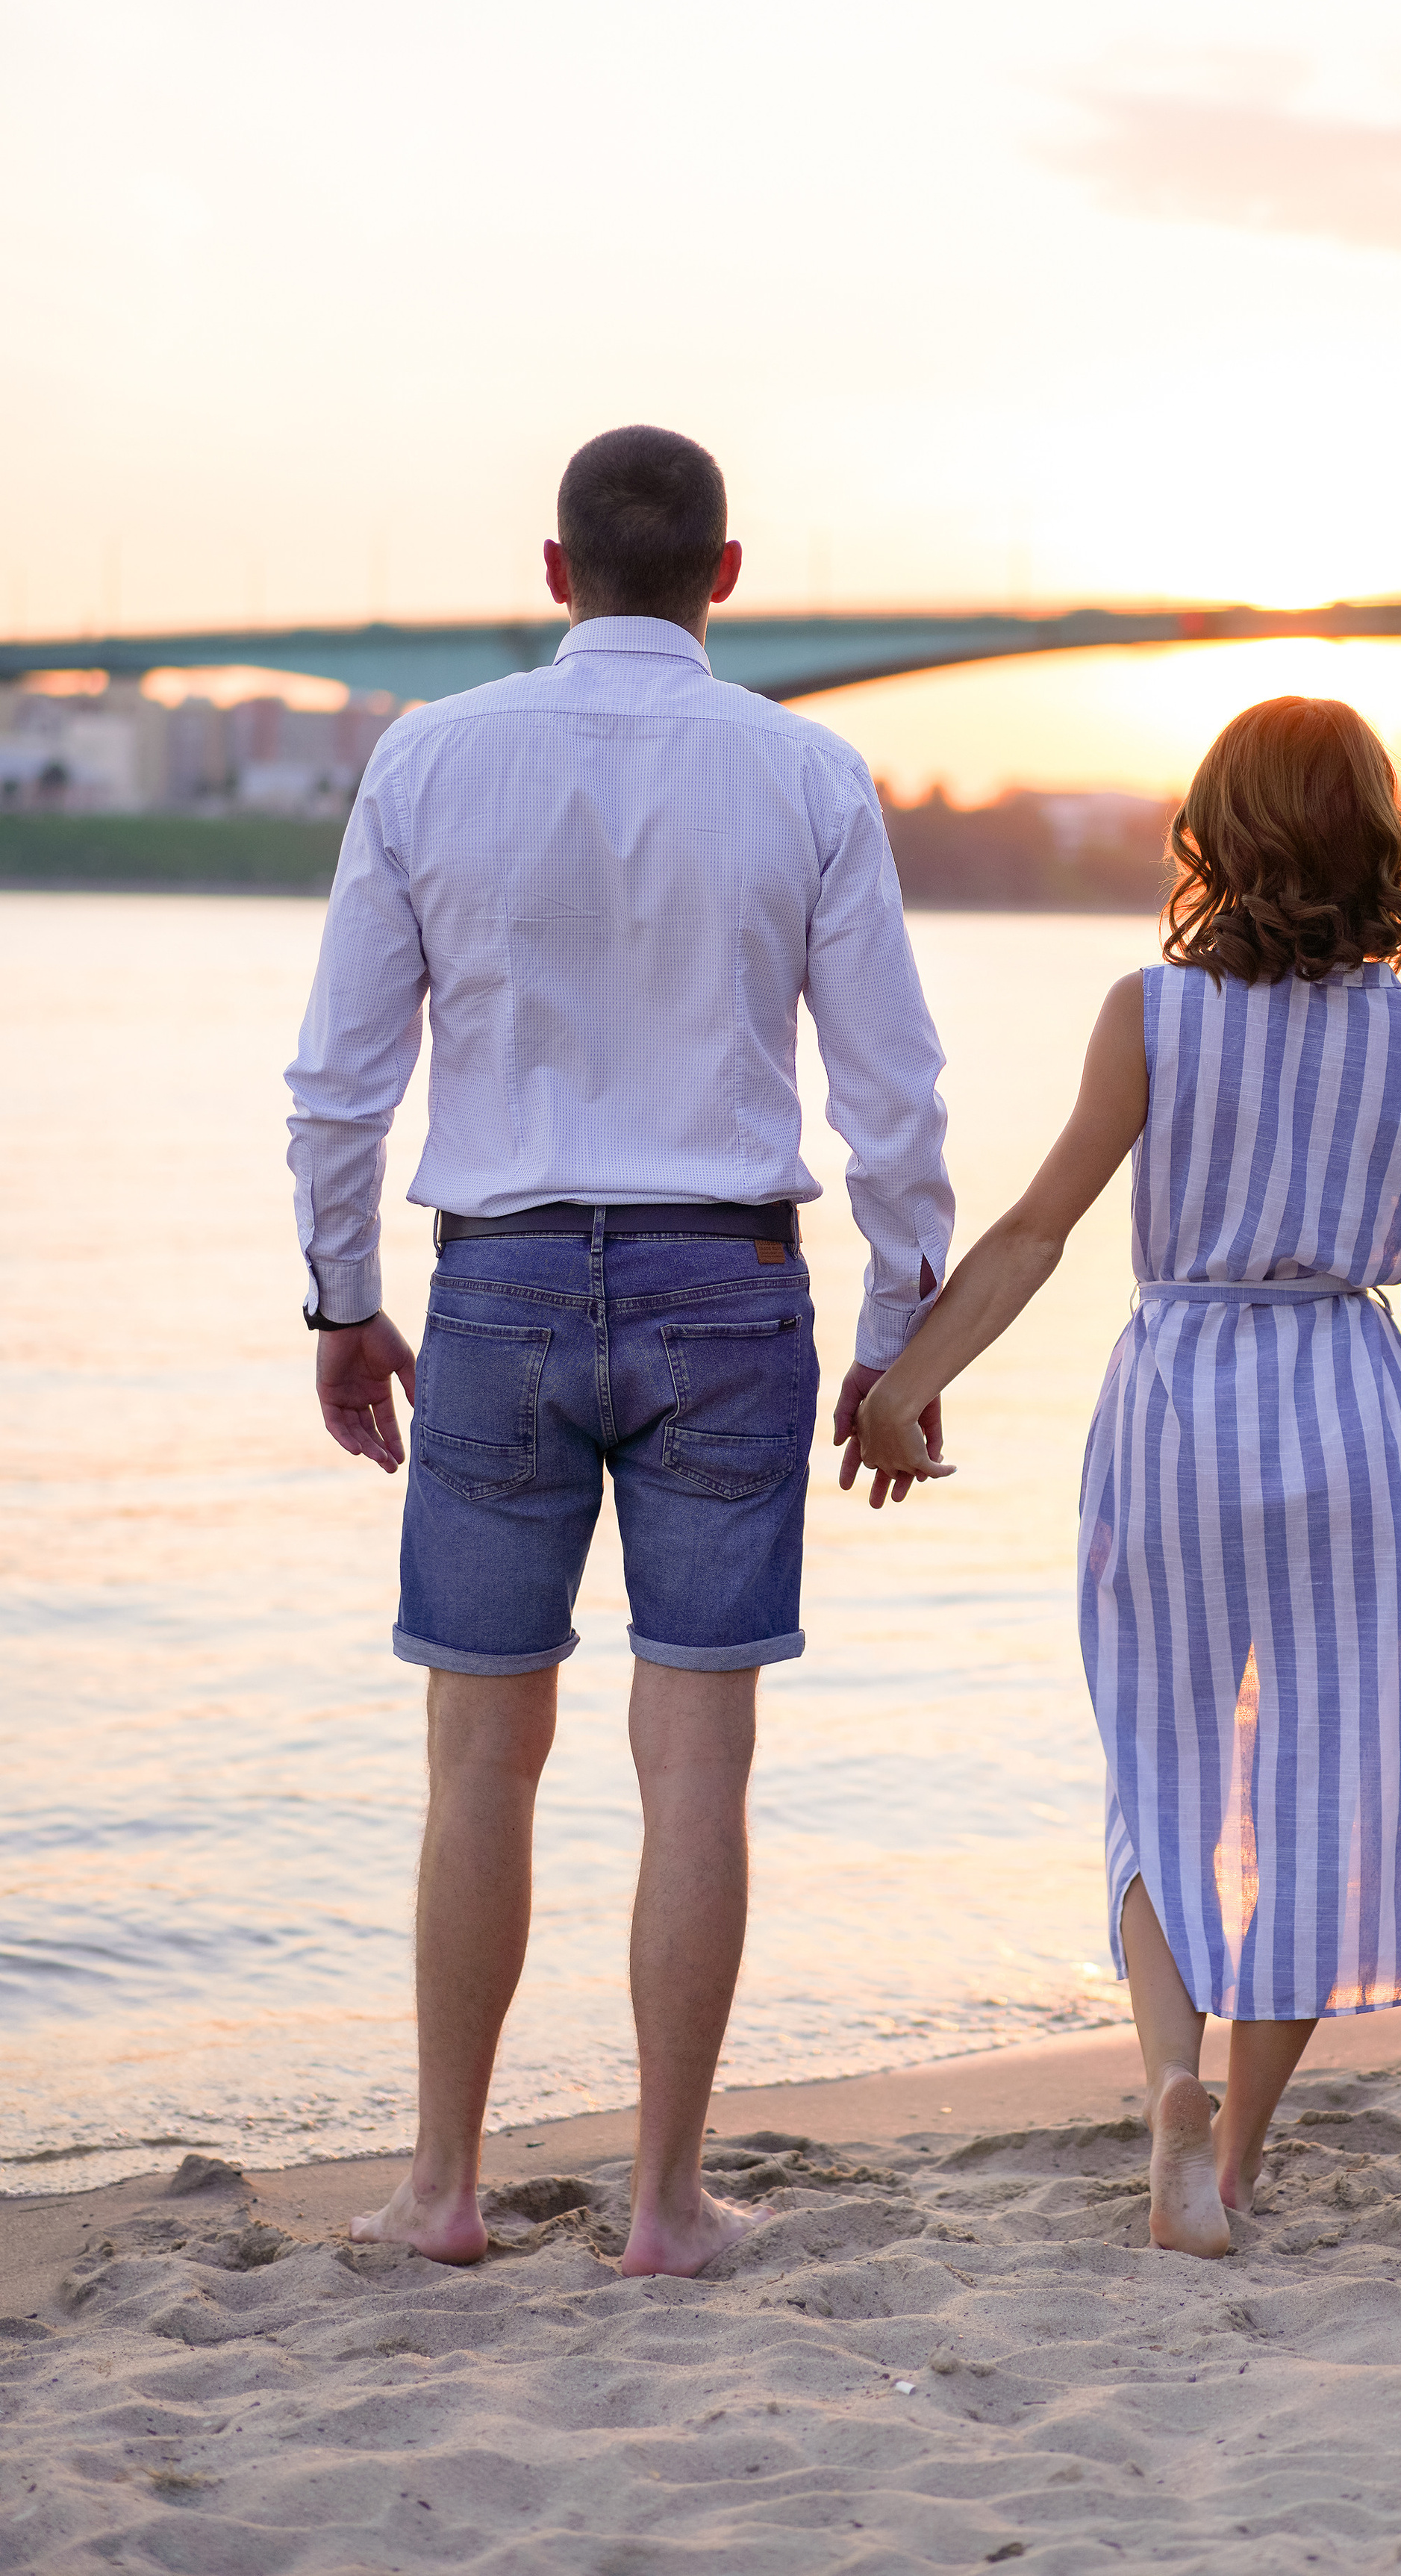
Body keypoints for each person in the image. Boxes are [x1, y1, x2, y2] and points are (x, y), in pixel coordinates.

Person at [286, 425, 953, 2276]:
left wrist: (340, 1302)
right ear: (726, 576)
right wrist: (900, 1335)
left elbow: (340, 1080)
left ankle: (440, 2189)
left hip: (495, 1287)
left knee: (476, 1757)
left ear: (557, 570)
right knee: (696, 1756)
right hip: (727, 1288)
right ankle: (664, 2204)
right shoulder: (809, 772)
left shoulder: (427, 757)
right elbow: (892, 1097)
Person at [845, 696, 1401, 2257]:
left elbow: (1034, 1233)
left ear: (1216, 828)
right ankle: (1241, 2157)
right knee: (1323, 1791)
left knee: (1162, 1765)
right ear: (1377, 836)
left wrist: (898, 1388)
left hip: (1184, 1405)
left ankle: (1166, 2086)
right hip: (1352, 1409)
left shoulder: (1151, 1010)